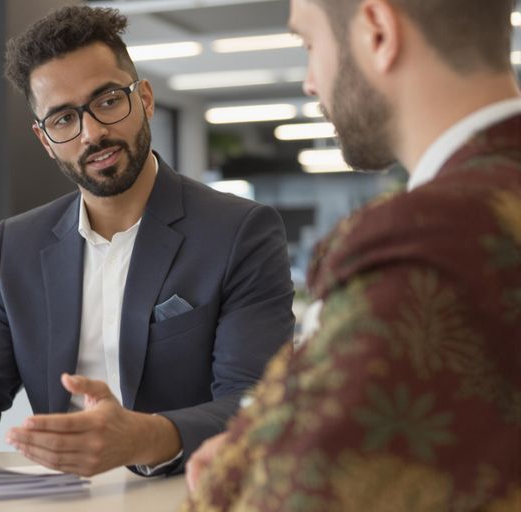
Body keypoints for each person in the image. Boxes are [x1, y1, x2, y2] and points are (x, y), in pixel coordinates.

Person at [0, 5, 294, 478]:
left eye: (107, 102)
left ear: (144, 99)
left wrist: (142, 438)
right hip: (65, 497)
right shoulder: (19, 244)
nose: (92, 133)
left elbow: (254, 402)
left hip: (191, 491)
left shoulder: (238, 230)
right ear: (45, 139)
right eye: (64, 119)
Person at [184, 0, 521, 509]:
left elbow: (296, 496)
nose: (309, 81)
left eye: (309, 44)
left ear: (378, 31)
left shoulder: (415, 240)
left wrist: (244, 469)